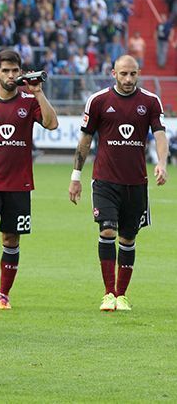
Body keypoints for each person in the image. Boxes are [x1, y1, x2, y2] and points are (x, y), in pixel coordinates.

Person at [68, 55, 168, 311]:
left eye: (133, 74)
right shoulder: (99, 100)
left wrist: (161, 163)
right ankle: (108, 293)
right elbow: (85, 141)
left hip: (136, 184)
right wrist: (75, 177)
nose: (128, 79)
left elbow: (160, 135)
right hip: (105, 181)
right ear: (113, 73)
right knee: (107, 231)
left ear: (139, 73)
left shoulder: (150, 101)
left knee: (128, 238)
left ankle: (122, 295)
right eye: (123, 74)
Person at [0, 49, 58, 310]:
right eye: (6, 71)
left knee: (11, 239)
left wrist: (38, 93)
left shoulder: (29, 102)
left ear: (21, 73)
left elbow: (52, 124)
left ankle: (4, 294)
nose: (11, 75)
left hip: (19, 184)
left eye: (15, 71)